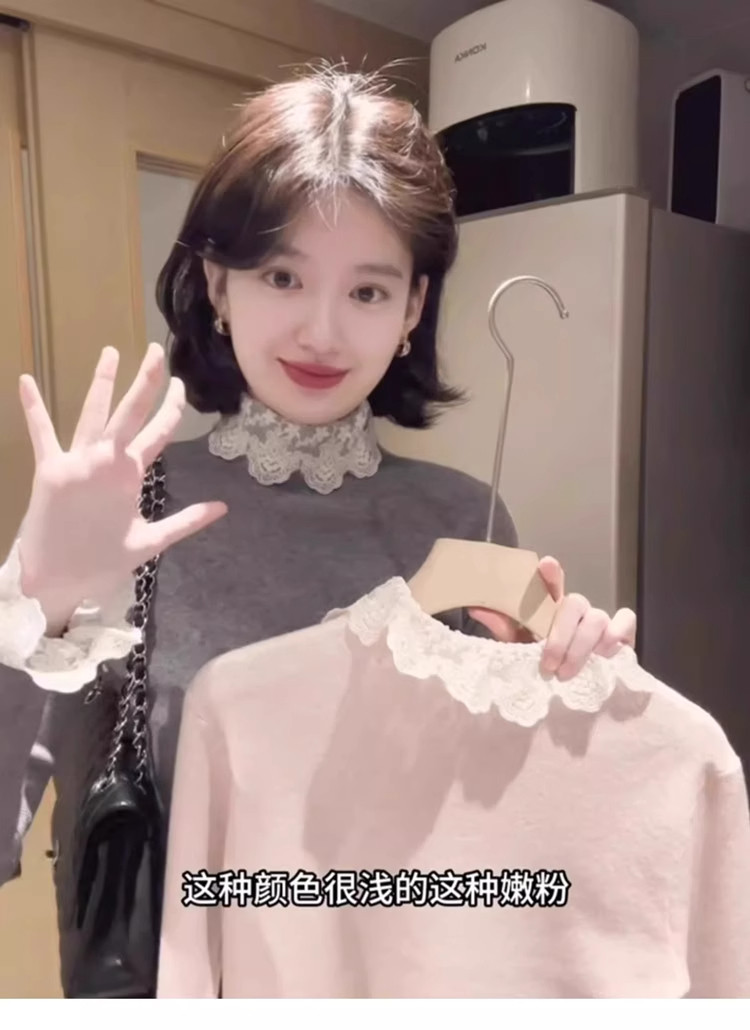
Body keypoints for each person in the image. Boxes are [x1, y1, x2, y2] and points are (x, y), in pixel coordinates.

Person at [0, 64, 635, 990]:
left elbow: (512, 840)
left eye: (368, 292)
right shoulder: (131, 507)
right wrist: (33, 596)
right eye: (281, 275)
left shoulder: (466, 518)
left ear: (414, 307)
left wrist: (571, 697)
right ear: (218, 286)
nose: (322, 332)